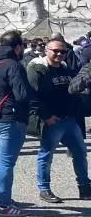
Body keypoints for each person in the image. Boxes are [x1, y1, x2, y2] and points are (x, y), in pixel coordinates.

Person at [27, 38, 91, 203]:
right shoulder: (37, 69)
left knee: (80, 153)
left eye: (62, 51)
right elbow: (32, 97)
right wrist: (46, 116)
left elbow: (76, 89)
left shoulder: (66, 70)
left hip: (69, 120)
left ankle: (84, 187)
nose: (59, 54)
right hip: (52, 121)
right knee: (46, 155)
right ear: (46, 50)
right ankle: (44, 189)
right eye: (55, 50)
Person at [0, 31, 33, 216]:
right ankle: (4, 204)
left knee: (3, 161)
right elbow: (22, 95)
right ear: (17, 46)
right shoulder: (13, 65)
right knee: (6, 162)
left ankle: (2, 198)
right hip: (11, 118)